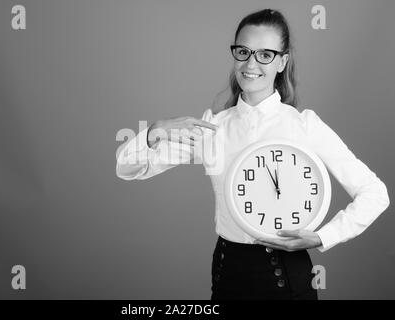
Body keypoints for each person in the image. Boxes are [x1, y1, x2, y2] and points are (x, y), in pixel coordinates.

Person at [115, 9, 390, 300]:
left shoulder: (304, 126)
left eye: (265, 55)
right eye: (243, 51)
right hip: (228, 272)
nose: (251, 63)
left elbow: (375, 193)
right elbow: (128, 167)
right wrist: (154, 131)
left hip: (287, 276)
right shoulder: (213, 128)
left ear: (282, 62)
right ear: (234, 55)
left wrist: (323, 237)